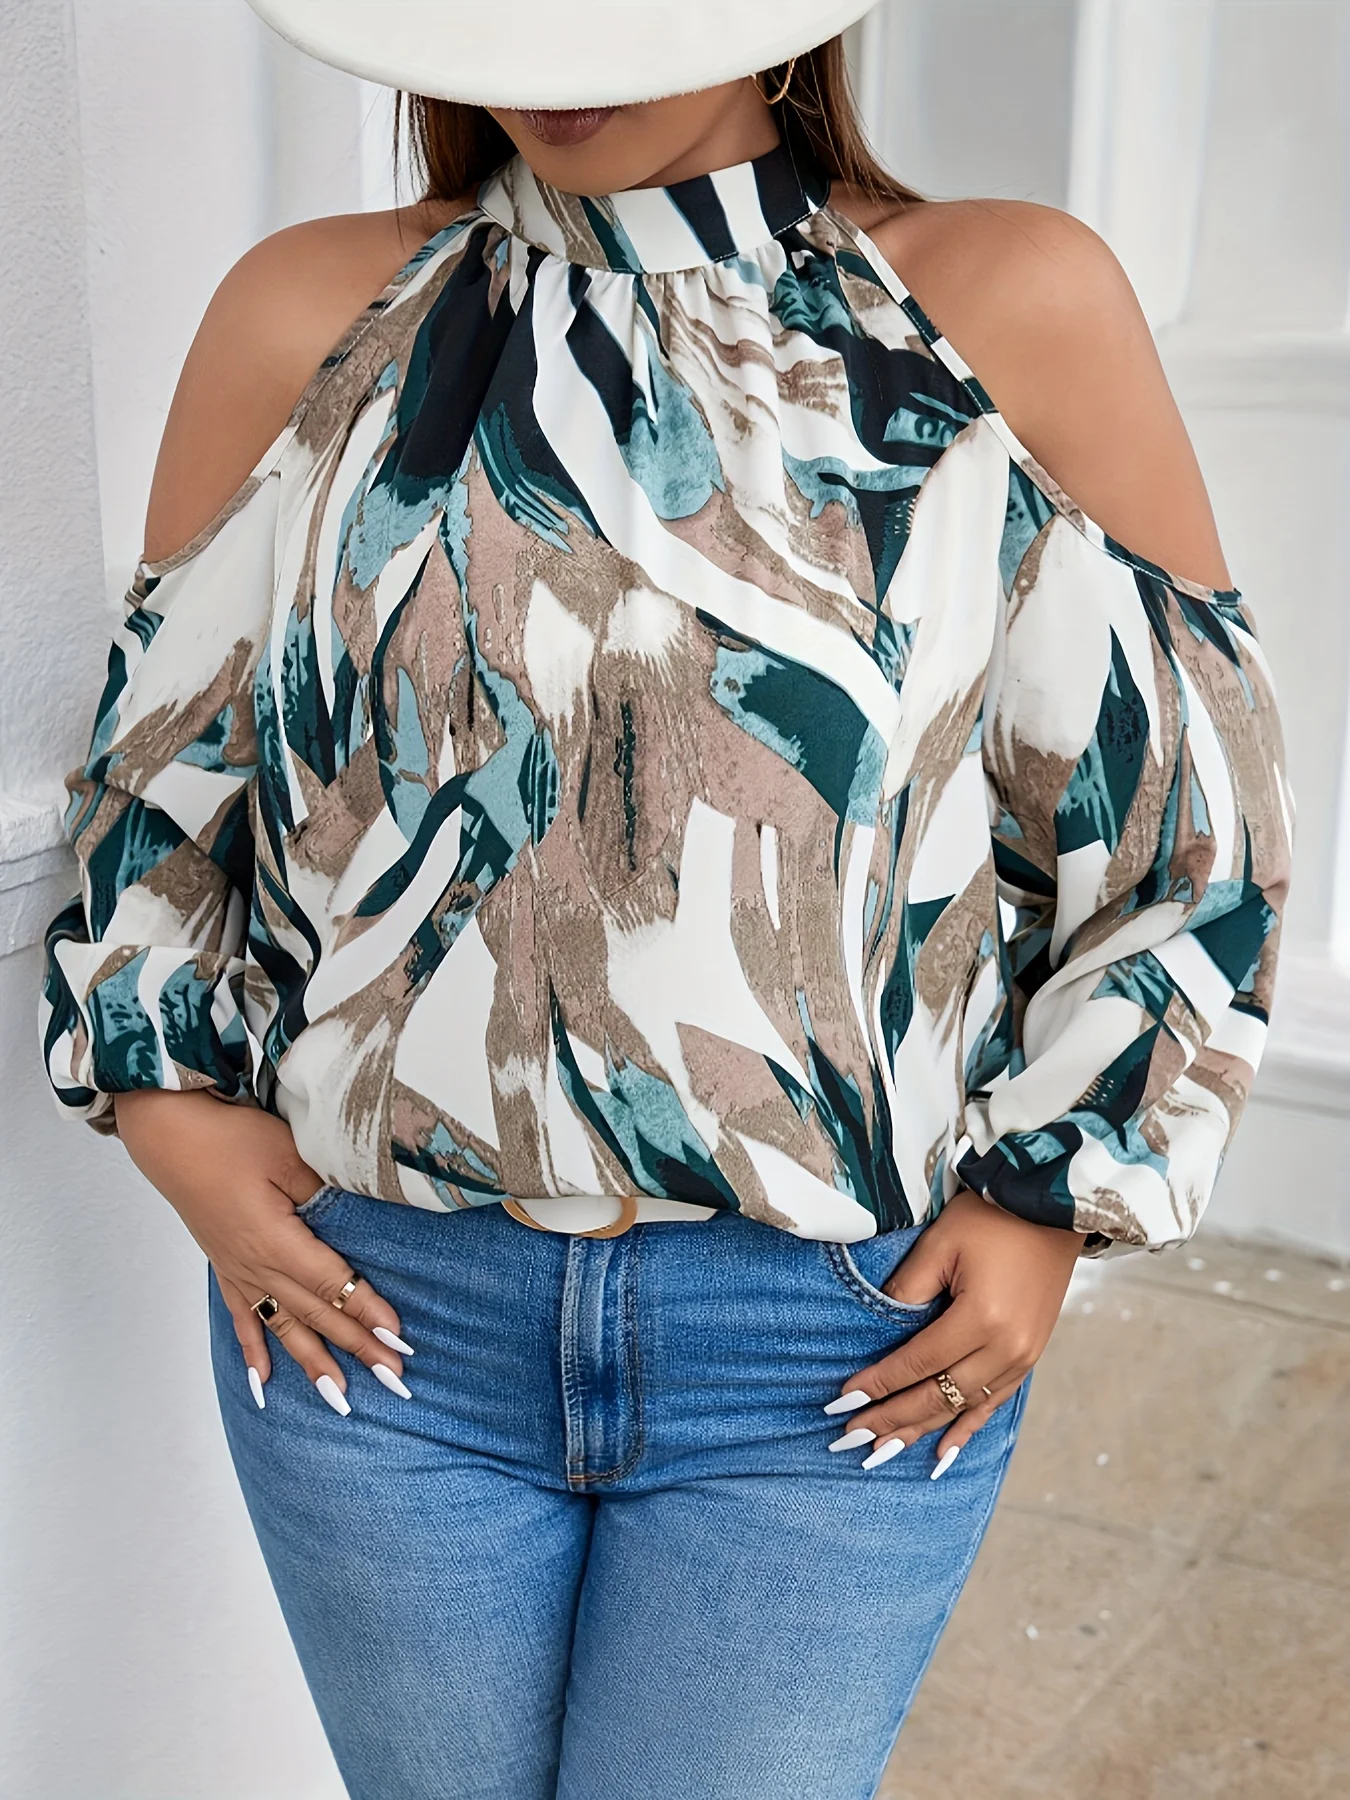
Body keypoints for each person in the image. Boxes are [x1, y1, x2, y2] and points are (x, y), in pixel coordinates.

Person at [39, 2, 1291, 1795]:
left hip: (824, 1342)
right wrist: (166, 1103)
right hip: (379, 1318)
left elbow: (1189, 826)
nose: (563, 53)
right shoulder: (308, 314)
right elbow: (159, 784)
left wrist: (1049, 1204)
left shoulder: (998, 303)